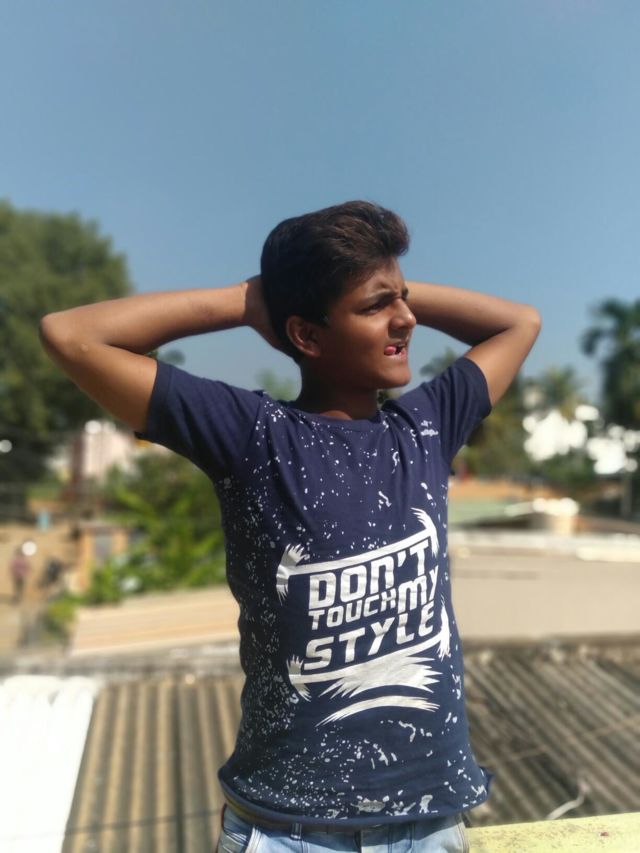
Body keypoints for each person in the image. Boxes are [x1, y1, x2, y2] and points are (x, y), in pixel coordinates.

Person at [40, 201, 541, 851]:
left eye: (404, 299)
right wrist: (253, 301)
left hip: (430, 825)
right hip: (289, 831)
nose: (406, 319)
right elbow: (71, 335)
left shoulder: (426, 425)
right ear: (306, 335)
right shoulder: (251, 435)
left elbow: (520, 322)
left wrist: (380, 284)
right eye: (375, 306)